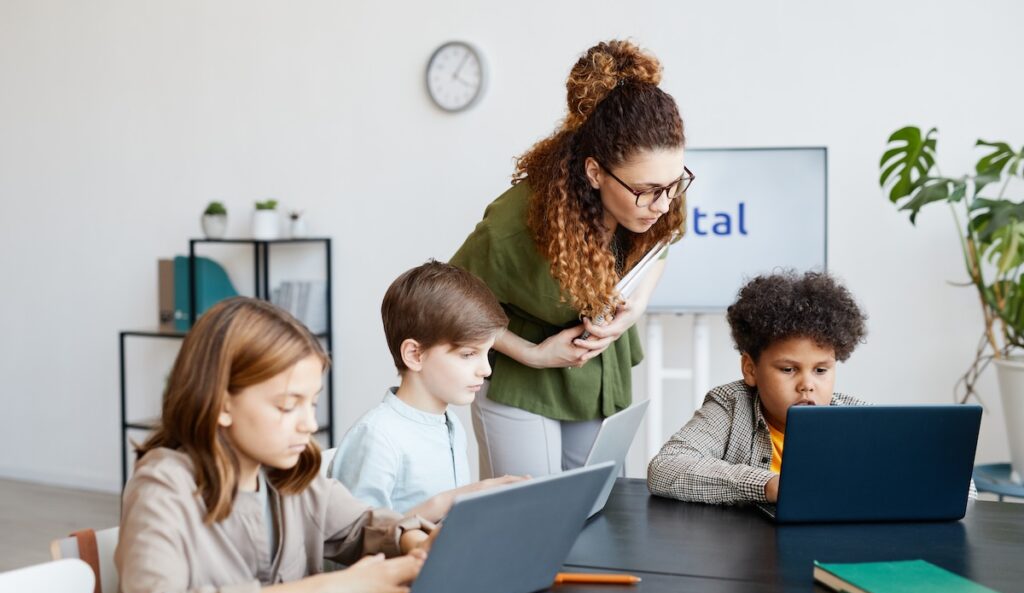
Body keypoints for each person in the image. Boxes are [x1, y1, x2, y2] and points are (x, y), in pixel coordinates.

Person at [114, 298, 512, 593]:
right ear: (222, 405)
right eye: (288, 406)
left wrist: (411, 540)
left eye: (312, 404)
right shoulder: (164, 484)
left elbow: (357, 526)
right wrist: (332, 589)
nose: (307, 425)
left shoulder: (290, 472)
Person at [451, 40, 691, 477]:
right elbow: (449, 301)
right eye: (648, 191)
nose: (663, 203)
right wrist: (532, 354)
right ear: (595, 172)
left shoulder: (662, 191)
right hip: (520, 375)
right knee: (531, 515)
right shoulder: (512, 225)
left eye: (675, 185)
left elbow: (664, 243)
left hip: (596, 372)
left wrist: (633, 307)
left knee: (597, 510)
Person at [647, 271, 869, 505]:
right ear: (750, 369)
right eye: (788, 369)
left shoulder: (860, 419)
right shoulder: (730, 407)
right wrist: (767, 485)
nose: (807, 385)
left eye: (821, 371)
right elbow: (665, 467)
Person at [329, 261, 512, 512]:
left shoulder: (451, 425)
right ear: (415, 354)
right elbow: (354, 537)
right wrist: (447, 503)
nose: (486, 369)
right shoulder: (376, 438)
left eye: (487, 353)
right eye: (468, 354)